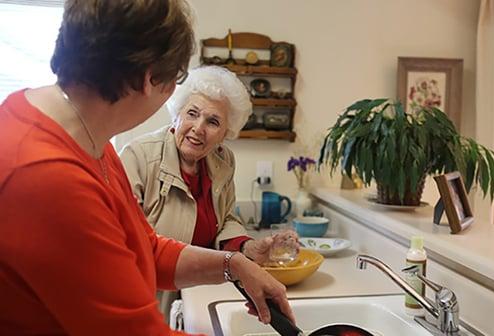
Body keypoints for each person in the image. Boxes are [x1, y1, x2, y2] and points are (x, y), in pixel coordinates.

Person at [0, 1, 294, 335]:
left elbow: (144, 248)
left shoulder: (87, 137)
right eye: (175, 80)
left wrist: (233, 265)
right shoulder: (47, 177)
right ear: (151, 78)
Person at [120, 65, 300, 317]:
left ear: (226, 134)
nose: (198, 128)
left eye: (213, 121)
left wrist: (248, 248)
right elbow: (127, 245)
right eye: (192, 114)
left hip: (200, 295)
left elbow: (225, 219)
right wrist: (232, 264)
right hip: (149, 302)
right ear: (177, 114)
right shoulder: (138, 156)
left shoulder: (222, 161)